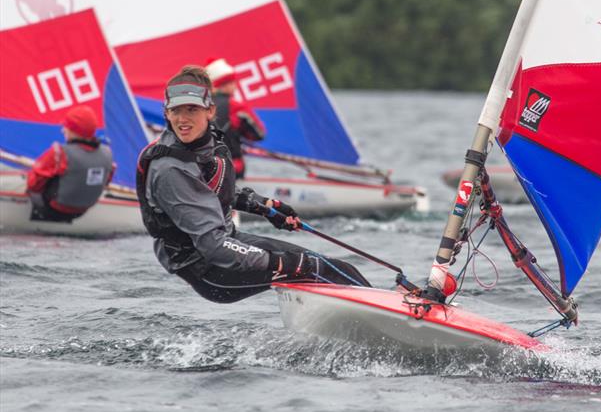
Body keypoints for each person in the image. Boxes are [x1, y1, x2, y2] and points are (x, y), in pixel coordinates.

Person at [136, 65, 369, 303]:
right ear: (166, 112)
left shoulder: (201, 143)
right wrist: (282, 263)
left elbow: (210, 191)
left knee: (334, 267)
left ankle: (392, 309)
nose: (182, 119)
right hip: (210, 268)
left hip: (227, 243)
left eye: (191, 109)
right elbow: (212, 245)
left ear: (210, 111)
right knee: (317, 269)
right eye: (175, 110)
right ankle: (392, 321)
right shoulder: (170, 169)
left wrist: (263, 205)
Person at [26, 105, 114, 222]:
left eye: (66, 126)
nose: (63, 130)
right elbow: (105, 181)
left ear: (74, 130)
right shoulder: (107, 153)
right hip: (82, 211)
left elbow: (33, 185)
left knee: (29, 185)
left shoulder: (59, 153)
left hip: (53, 209)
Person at [205, 58, 266, 178]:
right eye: (233, 82)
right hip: (232, 167)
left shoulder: (201, 105)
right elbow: (259, 134)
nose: (236, 86)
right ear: (225, 84)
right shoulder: (236, 107)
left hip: (204, 168)